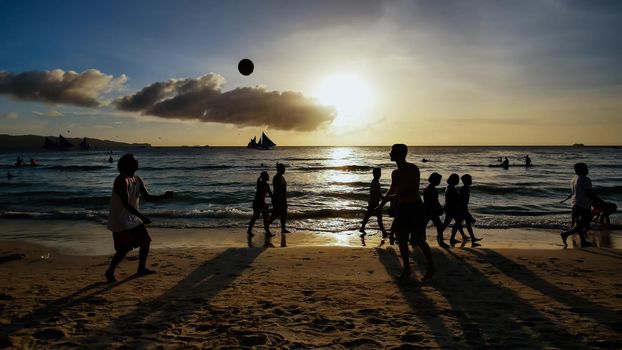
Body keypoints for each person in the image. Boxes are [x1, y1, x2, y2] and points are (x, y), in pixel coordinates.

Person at [105, 153, 174, 283]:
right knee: (123, 249)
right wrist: (142, 216)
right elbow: (125, 203)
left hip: (133, 218)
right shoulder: (121, 180)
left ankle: (141, 268)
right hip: (120, 220)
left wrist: (163, 196)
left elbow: (147, 197)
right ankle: (110, 272)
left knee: (145, 241)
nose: (137, 162)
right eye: (135, 161)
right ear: (128, 164)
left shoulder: (137, 179)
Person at [375, 144, 434, 281]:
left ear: (400, 154)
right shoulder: (395, 173)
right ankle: (407, 270)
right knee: (401, 240)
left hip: (415, 207)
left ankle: (431, 268)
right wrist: (381, 204)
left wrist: (393, 198)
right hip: (402, 208)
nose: (390, 154)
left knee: (418, 239)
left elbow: (412, 190)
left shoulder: (412, 169)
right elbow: (392, 190)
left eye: (392, 152)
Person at [560, 162, 601, 248]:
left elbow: (573, 193)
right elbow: (589, 193)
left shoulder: (573, 179)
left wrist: (565, 199)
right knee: (584, 223)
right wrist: (600, 201)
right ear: (581, 170)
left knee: (578, 223)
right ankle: (565, 234)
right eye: (586, 168)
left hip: (574, 204)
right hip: (583, 205)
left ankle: (583, 241)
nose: (587, 170)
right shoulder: (586, 179)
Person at [359, 168, 388, 242]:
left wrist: (382, 197)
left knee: (369, 216)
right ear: (375, 174)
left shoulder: (376, 182)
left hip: (375, 203)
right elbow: (372, 193)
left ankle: (362, 228)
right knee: (378, 218)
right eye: (379, 173)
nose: (380, 175)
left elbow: (378, 192)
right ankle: (384, 232)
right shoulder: (375, 183)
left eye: (380, 173)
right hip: (374, 203)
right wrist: (372, 203)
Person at [247, 171, 274, 247]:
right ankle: (251, 230)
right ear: (264, 177)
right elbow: (263, 195)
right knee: (257, 216)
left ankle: (265, 230)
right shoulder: (261, 185)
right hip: (258, 203)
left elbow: (271, 195)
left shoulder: (264, 185)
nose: (269, 177)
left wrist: (274, 198)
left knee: (260, 216)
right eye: (267, 176)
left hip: (260, 203)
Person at [423, 172, 449, 248]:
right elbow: (434, 201)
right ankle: (441, 241)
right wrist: (439, 208)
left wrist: (439, 207)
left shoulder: (428, 188)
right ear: (435, 180)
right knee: (439, 226)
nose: (439, 182)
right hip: (431, 211)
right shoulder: (432, 189)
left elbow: (433, 201)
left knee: (423, 225)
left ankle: (421, 239)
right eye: (439, 180)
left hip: (427, 210)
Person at [442, 173, 468, 246]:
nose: (458, 181)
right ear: (454, 180)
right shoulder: (451, 188)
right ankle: (451, 238)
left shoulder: (449, 187)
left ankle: (463, 236)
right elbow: (455, 199)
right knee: (452, 223)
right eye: (457, 179)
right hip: (452, 208)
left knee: (457, 222)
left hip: (449, 207)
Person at [268, 162, 289, 247]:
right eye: (283, 169)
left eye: (284, 168)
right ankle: (267, 225)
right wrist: (278, 200)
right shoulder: (276, 178)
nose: (284, 170)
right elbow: (277, 190)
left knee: (284, 213)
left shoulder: (281, 177)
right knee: (276, 213)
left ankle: (283, 229)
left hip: (283, 198)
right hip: (278, 199)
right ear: (279, 169)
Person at [459, 174, 482, 247]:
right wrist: (466, 212)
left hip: (463, 207)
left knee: (467, 222)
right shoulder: (464, 189)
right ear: (466, 181)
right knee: (459, 223)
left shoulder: (466, 188)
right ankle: (455, 237)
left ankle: (472, 237)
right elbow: (462, 202)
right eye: (470, 180)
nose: (471, 181)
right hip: (462, 208)